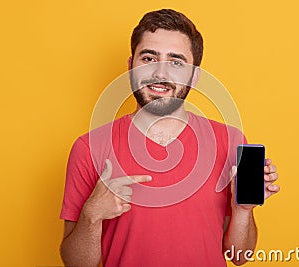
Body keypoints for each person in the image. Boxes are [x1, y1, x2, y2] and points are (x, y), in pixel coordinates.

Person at [59, 9, 280, 267]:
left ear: (195, 76)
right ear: (130, 67)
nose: (160, 73)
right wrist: (91, 215)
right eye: (149, 58)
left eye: (176, 62)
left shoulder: (229, 141)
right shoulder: (89, 148)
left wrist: (242, 210)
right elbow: (76, 264)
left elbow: (240, 257)